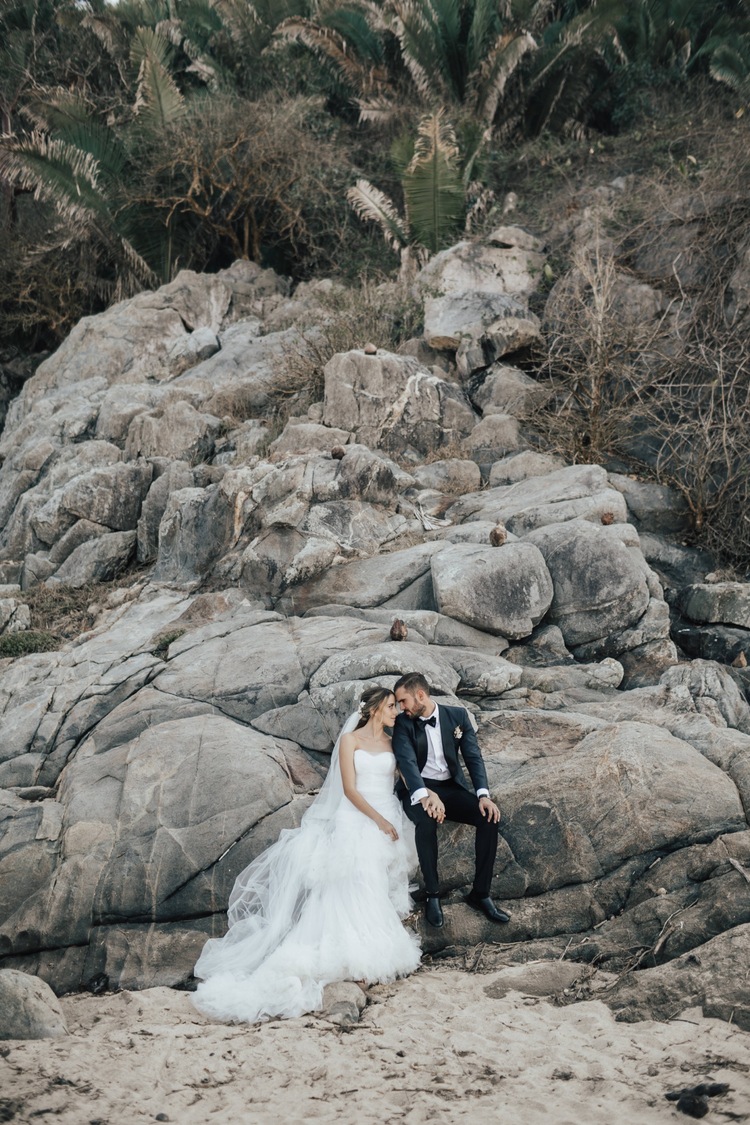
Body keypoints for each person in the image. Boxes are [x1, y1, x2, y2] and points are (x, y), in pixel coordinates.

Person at [191, 686, 421, 1024]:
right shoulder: (350, 742)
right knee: (350, 882)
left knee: (373, 882)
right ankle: (348, 957)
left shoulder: (392, 742)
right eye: (390, 706)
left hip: (387, 813)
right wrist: (379, 820)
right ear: (373, 709)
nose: (395, 711)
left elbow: (407, 775)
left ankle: (368, 953)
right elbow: (350, 789)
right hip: (357, 816)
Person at [392, 672, 511, 929]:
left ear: (420, 695)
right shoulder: (403, 723)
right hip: (416, 788)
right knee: (426, 823)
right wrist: (424, 796)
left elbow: (473, 757)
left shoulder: (458, 716)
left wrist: (483, 795)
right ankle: (433, 895)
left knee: (488, 818)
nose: (401, 707)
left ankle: (480, 894)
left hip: (450, 787)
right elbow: (407, 763)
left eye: (404, 701)